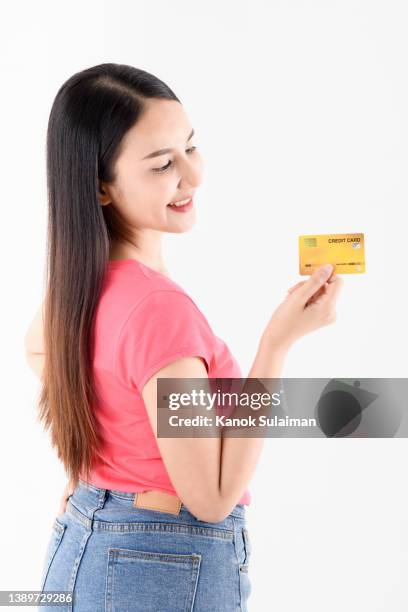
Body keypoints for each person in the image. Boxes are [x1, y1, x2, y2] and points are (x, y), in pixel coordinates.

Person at [25, 63, 343, 611]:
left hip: (83, 543)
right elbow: (213, 498)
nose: (192, 177)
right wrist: (276, 345)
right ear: (101, 187)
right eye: (162, 164)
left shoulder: (81, 283)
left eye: (191, 148)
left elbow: (41, 352)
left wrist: (99, 475)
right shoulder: (158, 308)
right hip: (162, 562)